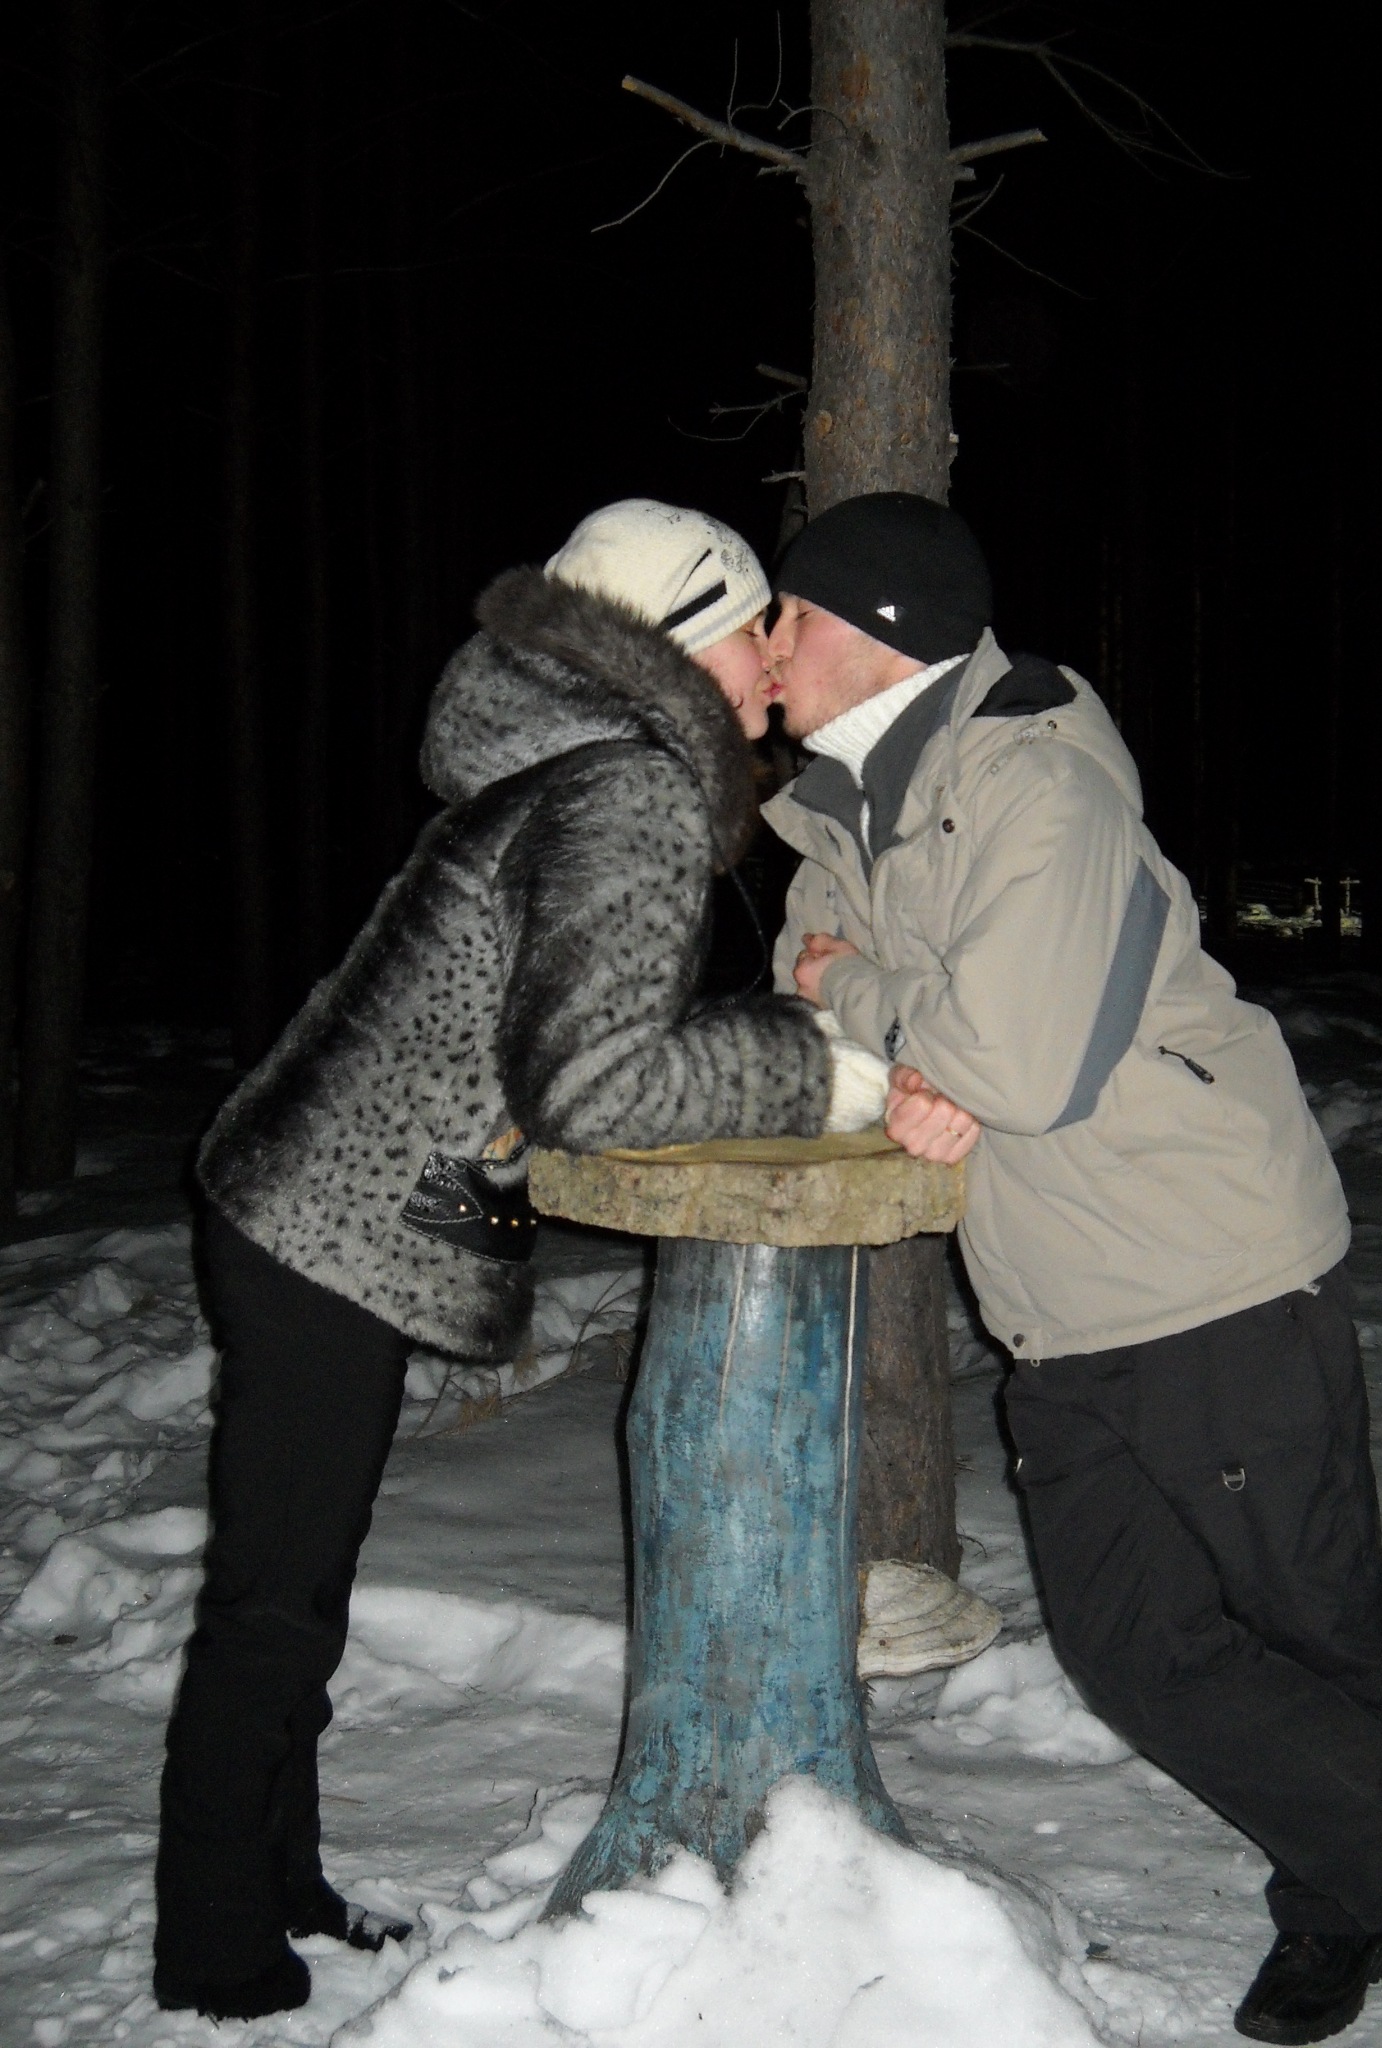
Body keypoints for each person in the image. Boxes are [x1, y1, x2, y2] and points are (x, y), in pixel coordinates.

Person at [762, 490, 1382, 2048]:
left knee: (1307, 1619)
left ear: (877, 629)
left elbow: (1009, 1062)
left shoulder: (1038, 778)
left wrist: (890, 1011)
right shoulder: (838, 813)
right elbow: (803, 978)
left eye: (787, 615)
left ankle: (1341, 1907)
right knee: (1129, 1647)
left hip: (1208, 1261)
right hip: (1056, 1295)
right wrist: (902, 1033)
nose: (763, 649)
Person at [154, 499, 888, 2022]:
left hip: (306, 1208)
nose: (770, 662)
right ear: (680, 639)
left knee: (298, 1585)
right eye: (750, 627)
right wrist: (809, 1068)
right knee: (274, 1600)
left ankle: (280, 1882)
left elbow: (532, 1049)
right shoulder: (629, 789)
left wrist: (740, 1038)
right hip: (320, 1231)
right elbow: (594, 1087)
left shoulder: (565, 771)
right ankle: (214, 1947)